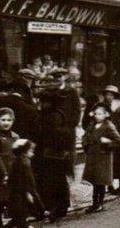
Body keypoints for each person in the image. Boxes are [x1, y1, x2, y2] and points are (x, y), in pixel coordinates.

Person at [34, 89, 76, 221]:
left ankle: (56, 207)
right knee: (51, 182)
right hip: (47, 154)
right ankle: (55, 206)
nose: (41, 104)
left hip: (54, 155)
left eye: (43, 102)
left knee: (54, 182)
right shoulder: (48, 114)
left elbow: (56, 135)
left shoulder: (54, 116)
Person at [82, 104, 120, 213]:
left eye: (100, 114)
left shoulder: (108, 126)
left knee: (100, 182)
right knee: (94, 181)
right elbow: (85, 136)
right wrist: (86, 144)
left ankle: (99, 203)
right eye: (95, 114)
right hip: (92, 156)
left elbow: (119, 141)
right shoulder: (92, 125)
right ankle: (94, 203)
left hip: (103, 157)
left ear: (106, 115)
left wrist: (108, 142)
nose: (97, 116)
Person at [6, 139, 45, 228]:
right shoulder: (22, 163)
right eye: (30, 151)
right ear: (23, 152)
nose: (33, 153)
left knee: (17, 219)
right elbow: (21, 180)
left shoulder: (22, 161)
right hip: (20, 195)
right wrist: (27, 192)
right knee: (20, 218)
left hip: (19, 194)